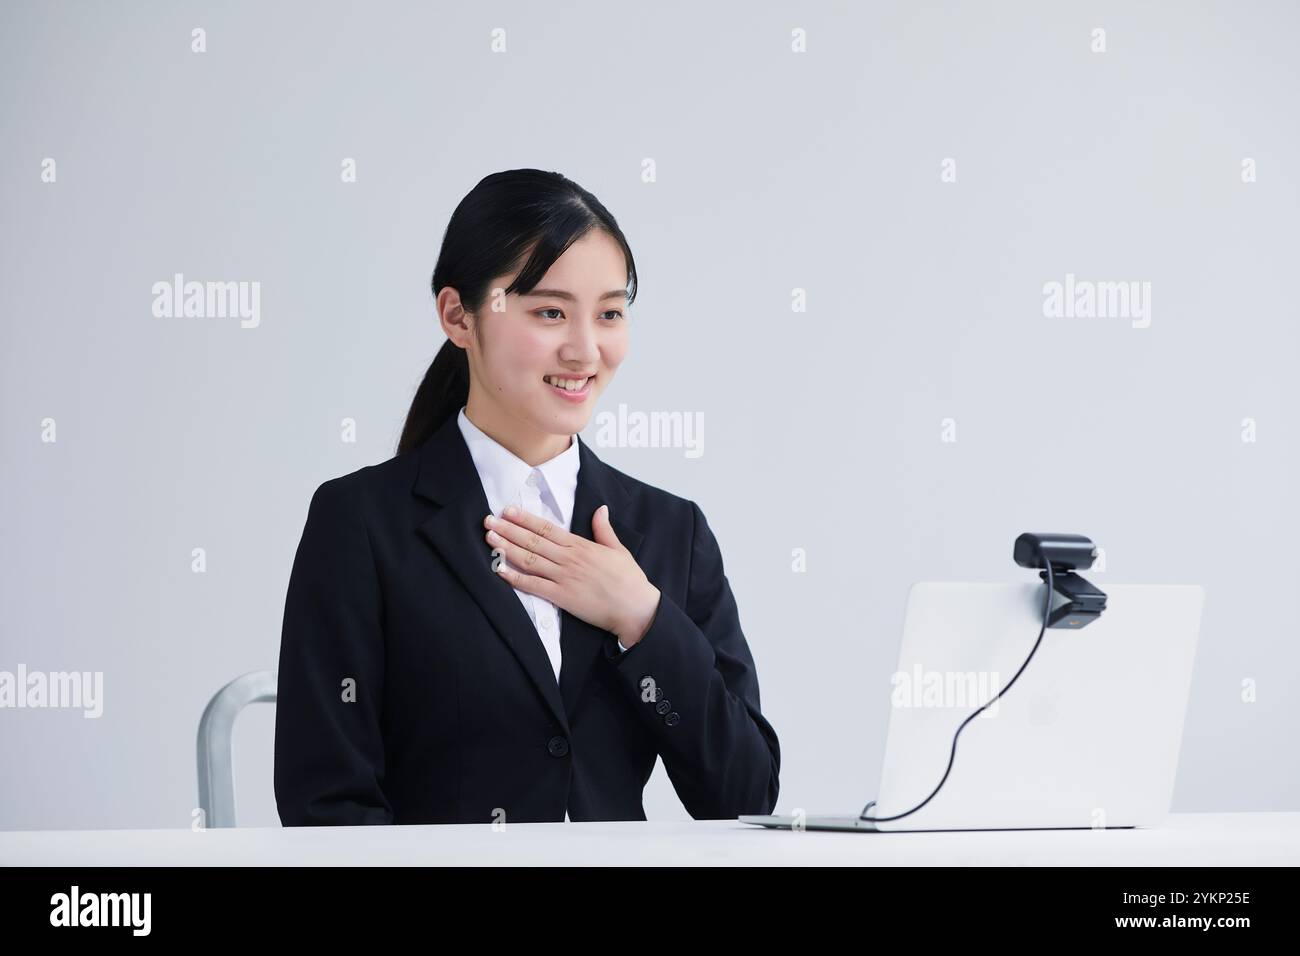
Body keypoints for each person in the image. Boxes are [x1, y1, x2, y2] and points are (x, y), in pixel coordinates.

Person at [273, 169, 780, 825]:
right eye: (549, 312)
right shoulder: (363, 524)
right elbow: (326, 807)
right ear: (459, 316)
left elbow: (745, 797)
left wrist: (643, 619)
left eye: (609, 313)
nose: (585, 349)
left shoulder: (670, 531)